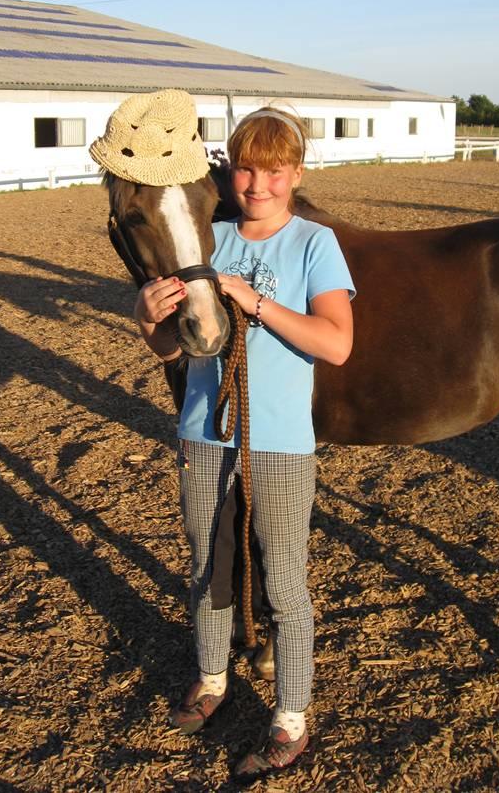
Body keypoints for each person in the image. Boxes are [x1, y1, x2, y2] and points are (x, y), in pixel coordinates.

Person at [134, 106, 355, 783]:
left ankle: (291, 717)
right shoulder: (210, 236)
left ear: (297, 174)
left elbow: (337, 344)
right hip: (204, 433)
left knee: (284, 578)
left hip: (282, 443)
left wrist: (253, 302)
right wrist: (146, 321)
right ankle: (211, 678)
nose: (258, 185)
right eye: (247, 170)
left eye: (275, 172)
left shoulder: (314, 244)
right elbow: (172, 347)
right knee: (208, 561)